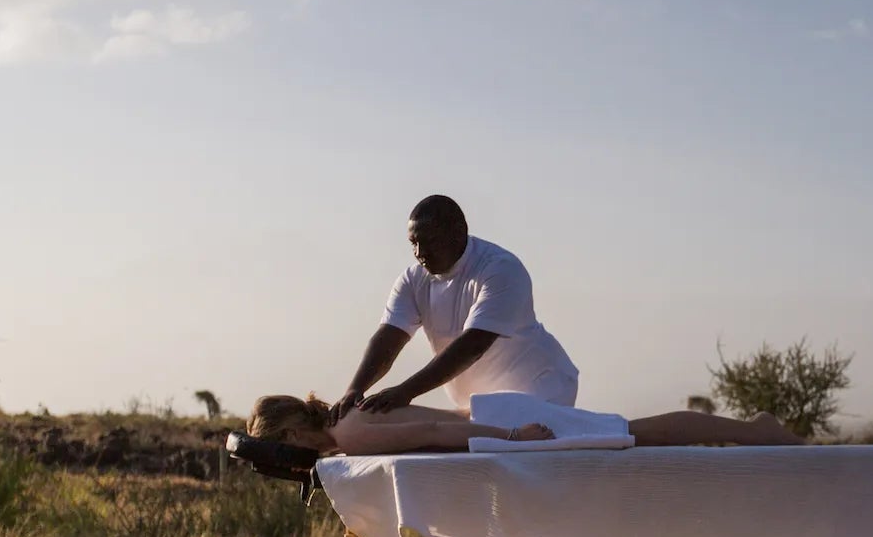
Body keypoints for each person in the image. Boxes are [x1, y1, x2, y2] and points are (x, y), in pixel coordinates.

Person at [331, 194, 579, 420]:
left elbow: (473, 345)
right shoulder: (412, 279)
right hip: (479, 405)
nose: (420, 252)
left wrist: (405, 391)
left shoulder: (501, 268)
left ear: (459, 232)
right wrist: (356, 388)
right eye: (414, 243)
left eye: (430, 241)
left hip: (541, 391)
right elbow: (389, 337)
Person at [246, 392, 805, 455]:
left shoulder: (353, 434)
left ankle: (756, 430)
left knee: (640, 432)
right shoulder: (347, 433)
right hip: (498, 422)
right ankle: (752, 429)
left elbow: (437, 434)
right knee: (636, 430)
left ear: (292, 433)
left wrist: (514, 437)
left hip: (505, 423)